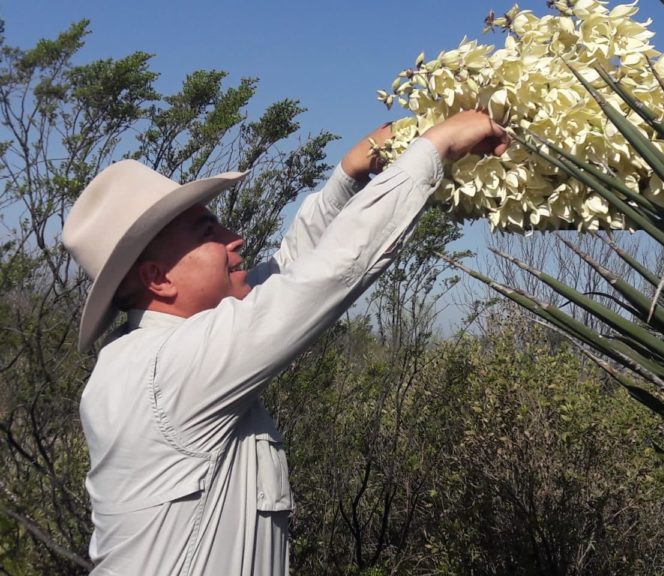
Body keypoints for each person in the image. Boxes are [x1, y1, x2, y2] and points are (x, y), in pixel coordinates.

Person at [62, 110, 508, 575]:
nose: (235, 238)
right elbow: (320, 279)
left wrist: (345, 179)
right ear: (158, 279)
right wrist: (435, 147)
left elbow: (282, 275)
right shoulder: (169, 369)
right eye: (208, 233)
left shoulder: (139, 358)